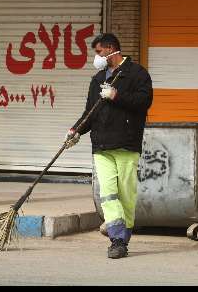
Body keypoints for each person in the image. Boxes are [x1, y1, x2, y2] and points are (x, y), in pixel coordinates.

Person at [65, 33, 153, 259]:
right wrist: (76, 130)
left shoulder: (136, 74)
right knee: (108, 193)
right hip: (101, 145)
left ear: (112, 49)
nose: (97, 57)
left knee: (126, 194)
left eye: (99, 52)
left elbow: (144, 103)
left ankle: (124, 235)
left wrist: (117, 95)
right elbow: (90, 112)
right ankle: (117, 239)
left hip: (126, 143)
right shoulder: (97, 80)